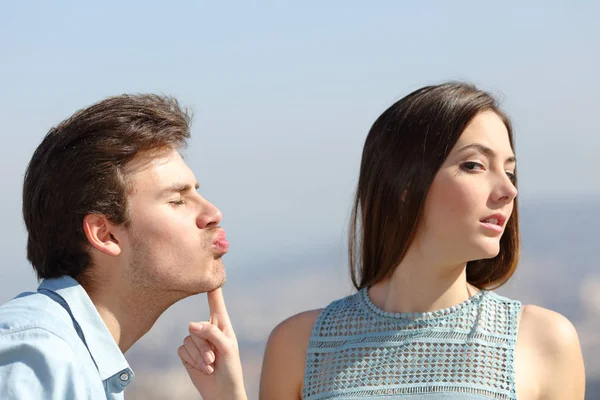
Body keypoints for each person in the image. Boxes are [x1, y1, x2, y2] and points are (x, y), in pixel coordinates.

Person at [259, 82, 586, 399]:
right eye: (475, 165)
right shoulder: (299, 345)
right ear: (403, 185)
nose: (508, 190)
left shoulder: (544, 342)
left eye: (510, 171)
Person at [0, 94, 247, 400]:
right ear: (106, 235)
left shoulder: (75, 360)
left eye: (196, 193)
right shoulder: (40, 355)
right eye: (177, 200)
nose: (213, 214)